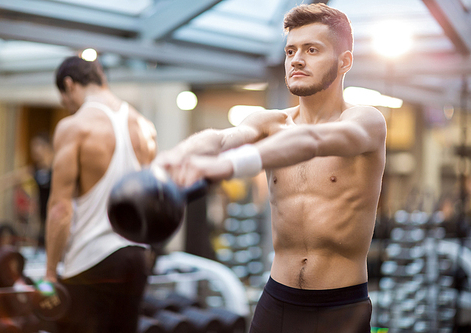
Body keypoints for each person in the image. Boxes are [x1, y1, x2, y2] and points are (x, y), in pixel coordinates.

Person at [153, 3, 386, 333]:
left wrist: (229, 166)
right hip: (276, 299)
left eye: (312, 49)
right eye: (291, 50)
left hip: (339, 307)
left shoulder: (365, 121)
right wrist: (178, 155)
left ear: (344, 60)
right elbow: (221, 139)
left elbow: (313, 141)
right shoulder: (271, 121)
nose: (297, 59)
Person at [45, 56, 157, 333]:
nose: (68, 107)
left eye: (64, 100)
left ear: (69, 85)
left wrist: (49, 274)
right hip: (135, 259)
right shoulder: (144, 126)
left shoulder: (75, 127)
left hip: (90, 260)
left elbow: (60, 208)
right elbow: (155, 200)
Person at [30, 133, 54, 249]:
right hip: (42, 216)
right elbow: (14, 178)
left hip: (55, 214)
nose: (33, 150)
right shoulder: (36, 169)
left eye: (36, 146)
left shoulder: (56, 167)